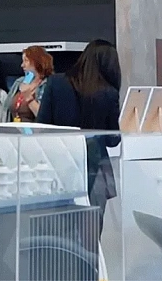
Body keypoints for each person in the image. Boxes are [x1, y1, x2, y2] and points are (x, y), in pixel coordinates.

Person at [37, 40, 122, 218]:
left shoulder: (55, 82)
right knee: (91, 226)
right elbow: (112, 139)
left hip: (59, 163)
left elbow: (42, 124)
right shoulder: (109, 93)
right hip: (94, 167)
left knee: (58, 223)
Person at [8, 45, 53, 123]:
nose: (22, 65)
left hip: (35, 129)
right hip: (15, 128)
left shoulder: (48, 85)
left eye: (26, 61)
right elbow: (5, 110)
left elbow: (44, 117)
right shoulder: (19, 82)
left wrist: (29, 98)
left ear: (37, 61)